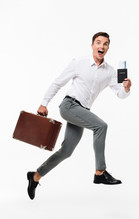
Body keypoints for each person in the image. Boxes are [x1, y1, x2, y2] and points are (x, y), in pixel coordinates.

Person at [27, 32, 132, 200]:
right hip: (69, 105)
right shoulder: (79, 62)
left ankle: (35, 176)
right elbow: (58, 82)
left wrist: (126, 88)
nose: (101, 46)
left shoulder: (110, 72)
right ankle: (100, 172)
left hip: (83, 112)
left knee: (66, 151)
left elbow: (120, 93)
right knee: (101, 126)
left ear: (108, 48)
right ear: (92, 46)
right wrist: (44, 103)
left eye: (105, 44)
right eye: (98, 43)